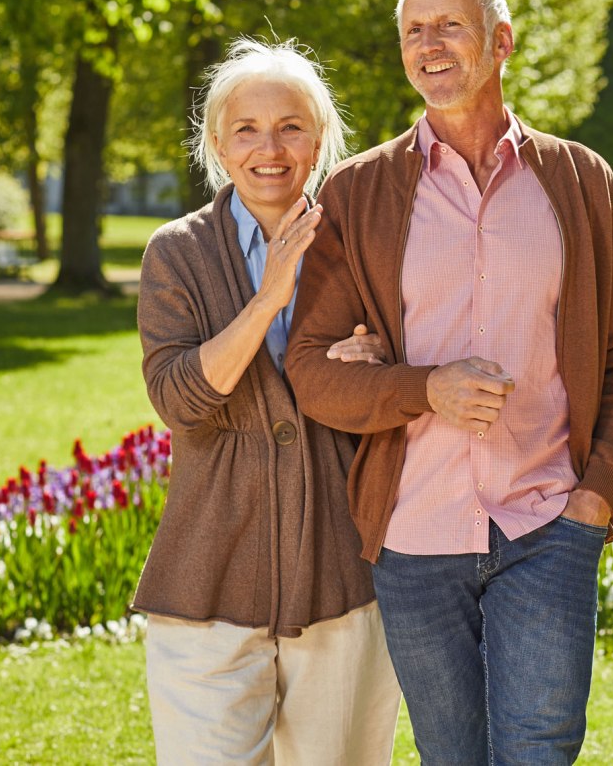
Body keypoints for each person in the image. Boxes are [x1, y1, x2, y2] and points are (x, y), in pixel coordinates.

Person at [285, 0, 613, 765]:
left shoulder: (579, 179)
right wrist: (423, 388)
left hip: (548, 521)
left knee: (539, 749)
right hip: (416, 533)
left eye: (449, 25)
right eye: (413, 31)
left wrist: (596, 495)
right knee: (449, 756)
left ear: (501, 41)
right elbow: (310, 367)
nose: (430, 45)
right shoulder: (358, 192)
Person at [135, 38, 400, 765]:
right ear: (217, 143)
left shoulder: (365, 246)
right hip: (207, 582)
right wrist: (267, 301)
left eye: (291, 126)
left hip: (342, 578)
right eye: (246, 129)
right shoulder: (176, 253)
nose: (269, 148)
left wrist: (380, 362)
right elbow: (179, 399)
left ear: (320, 138)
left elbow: (408, 389)